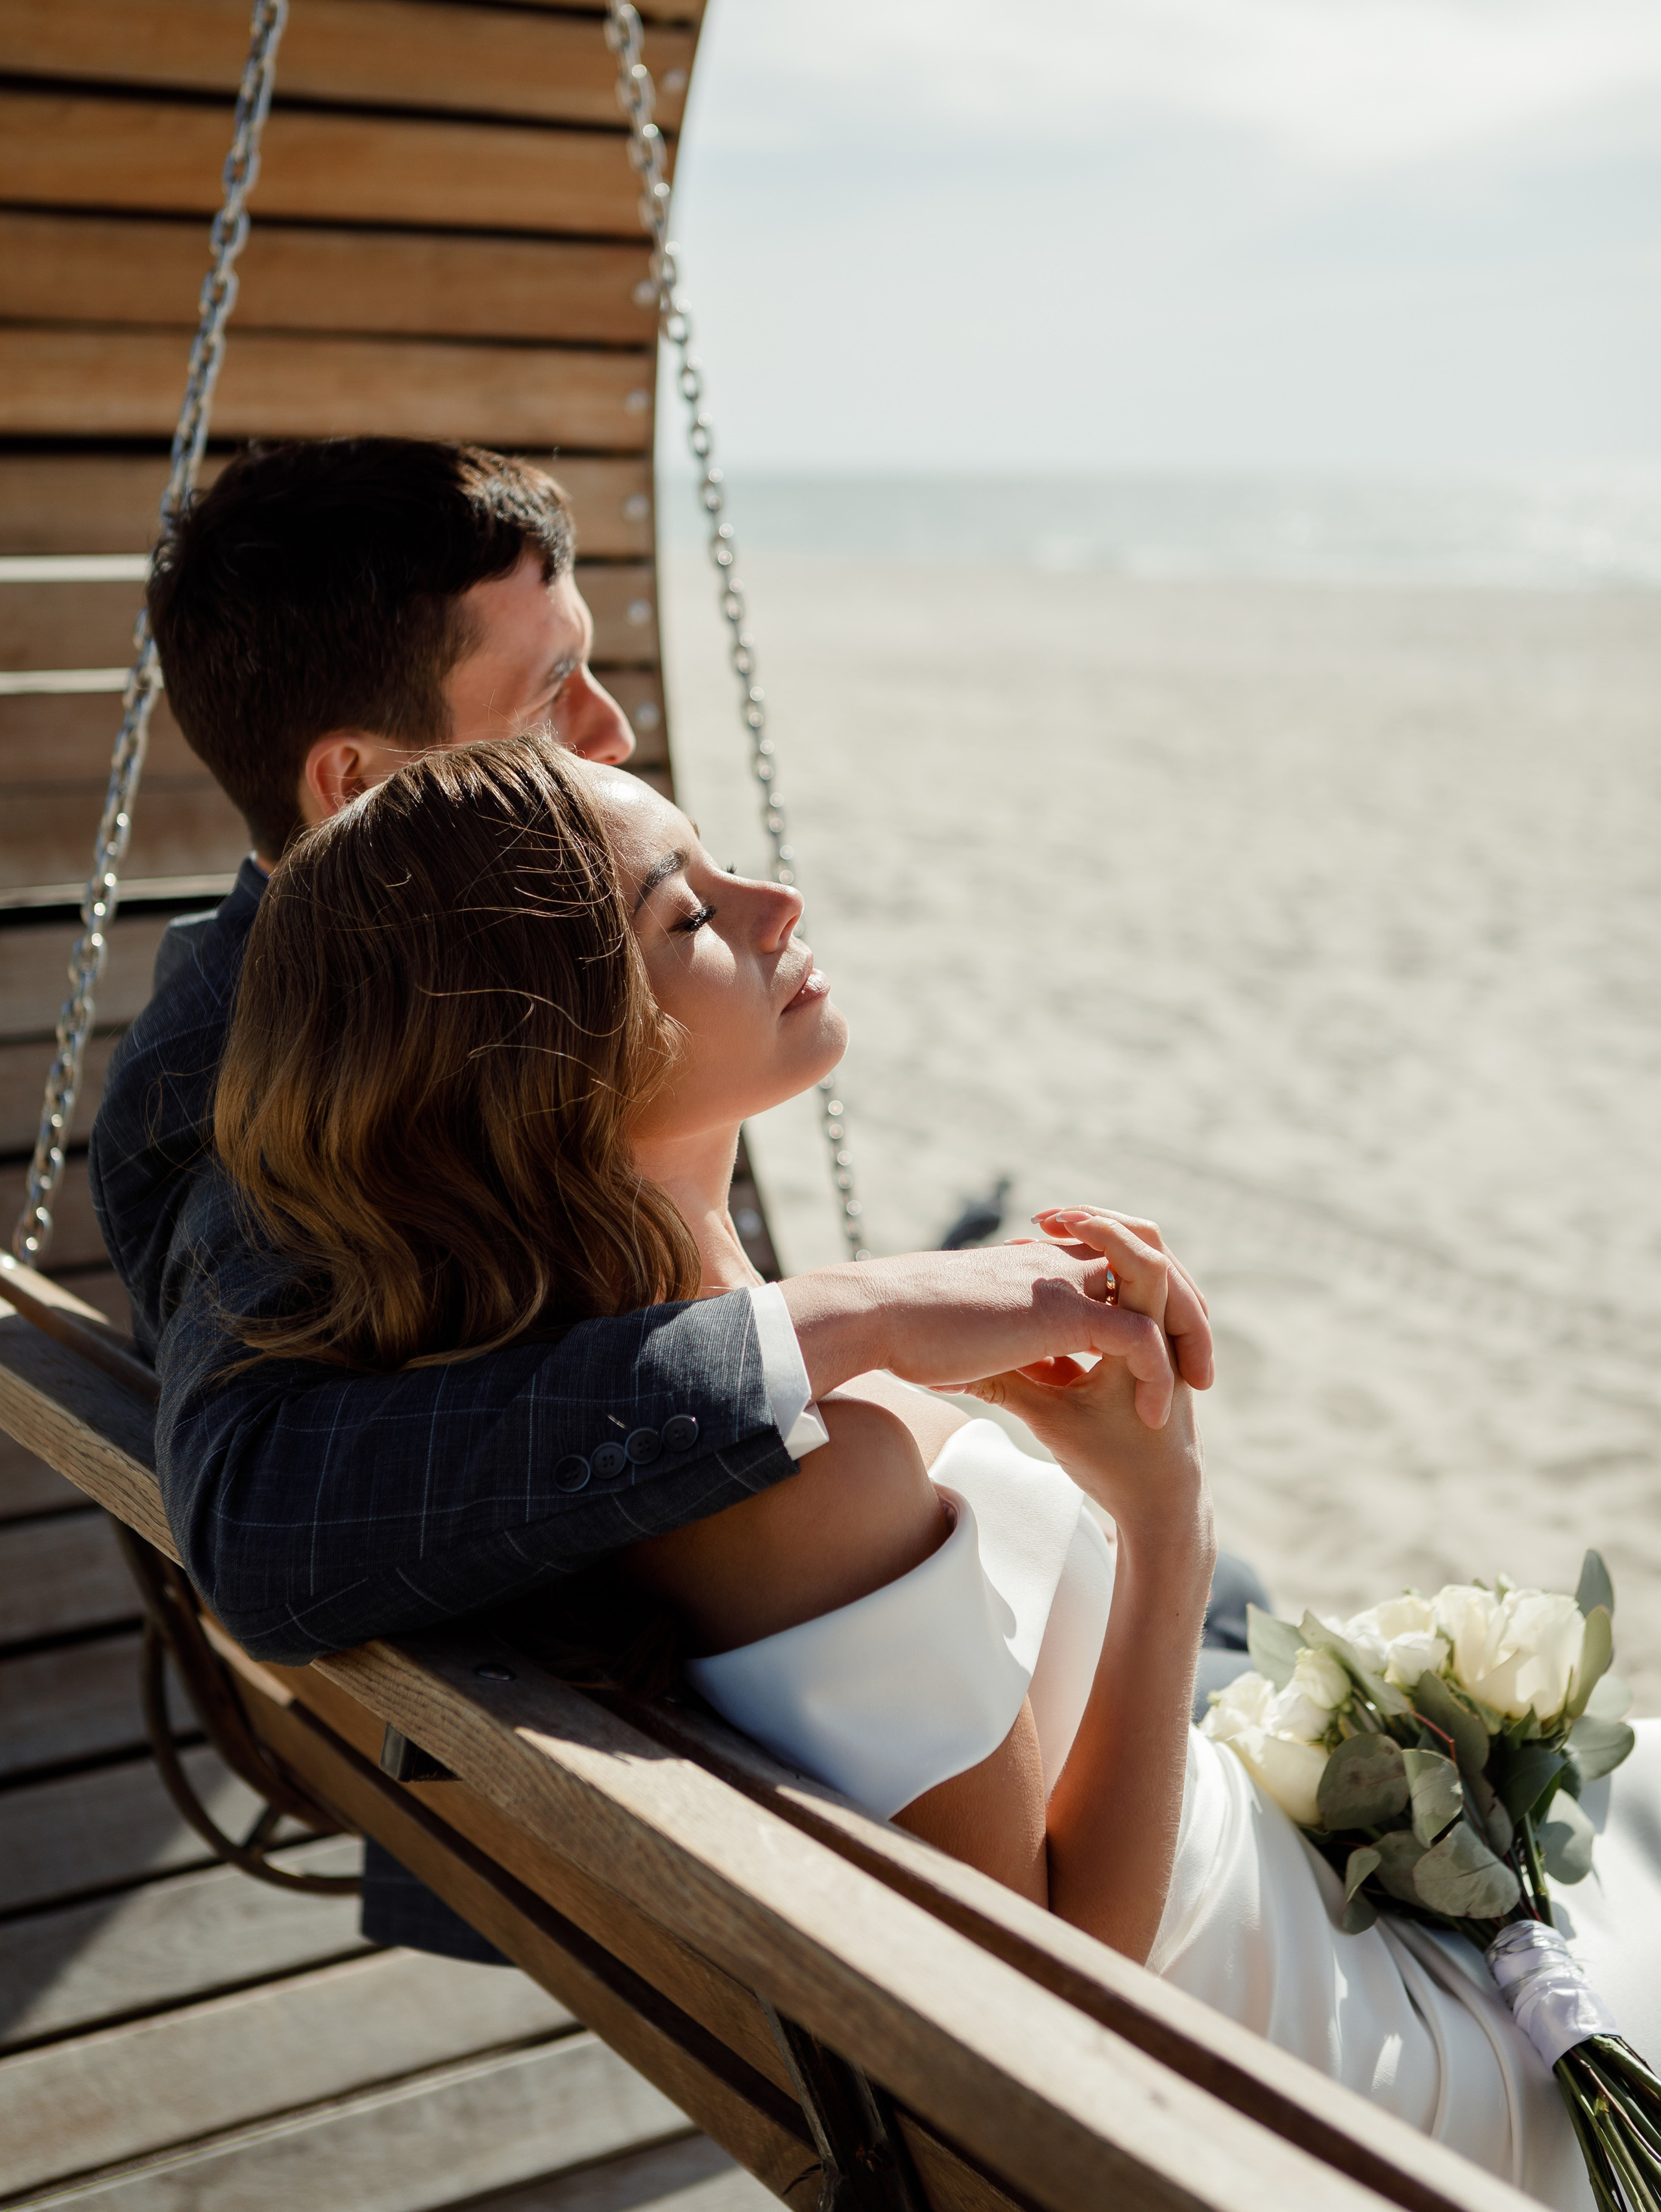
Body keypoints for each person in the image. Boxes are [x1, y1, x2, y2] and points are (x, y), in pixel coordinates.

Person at [214, 738, 1661, 2211]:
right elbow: (1066, 1981)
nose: (773, 901)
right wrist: (1163, 1519)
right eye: (689, 914)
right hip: (1314, 2056)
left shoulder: (687, 1405)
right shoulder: (796, 1478)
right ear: (549, 1064)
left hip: (1289, 1921)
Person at [89, 435, 1227, 1962]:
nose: (611, 731)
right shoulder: (263, 1084)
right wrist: (857, 1314)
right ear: (356, 783)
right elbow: (261, 1517)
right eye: (550, 689)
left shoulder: (454, 1030)